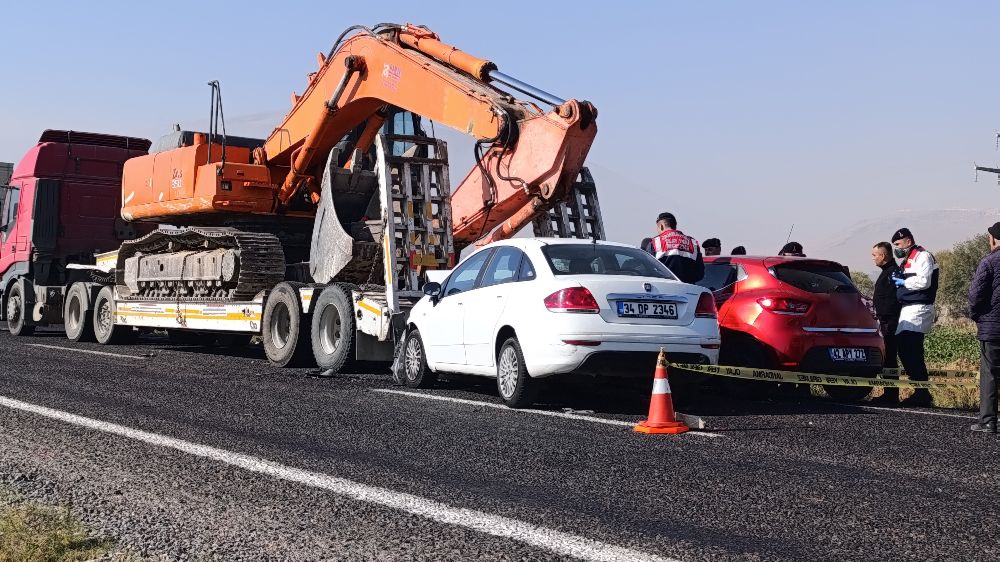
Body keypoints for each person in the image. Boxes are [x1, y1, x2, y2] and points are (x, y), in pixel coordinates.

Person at [890, 227, 939, 407]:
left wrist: (904, 282)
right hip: (908, 309)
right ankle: (919, 390)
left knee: (912, 349)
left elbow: (924, 282)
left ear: (908, 241)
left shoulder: (923, 256)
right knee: (904, 349)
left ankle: (922, 392)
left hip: (919, 308)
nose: (897, 248)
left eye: (898, 244)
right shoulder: (908, 259)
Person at [967, 222, 1000, 433]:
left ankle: (988, 420)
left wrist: (976, 315)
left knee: (990, 373)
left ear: (994, 239)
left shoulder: (989, 262)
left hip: (993, 326)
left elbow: (975, 295)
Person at [871, 241, 902, 403]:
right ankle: (889, 392)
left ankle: (891, 394)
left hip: (890, 323)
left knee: (890, 358)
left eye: (874, 255)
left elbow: (897, 297)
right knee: (888, 358)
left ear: (883, 256)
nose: (873, 258)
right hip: (886, 322)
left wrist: (885, 318)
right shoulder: (888, 272)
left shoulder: (894, 273)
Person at [647, 212, 704, 283]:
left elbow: (648, 270)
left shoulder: (655, 242)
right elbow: (700, 273)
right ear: (675, 226)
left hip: (664, 288)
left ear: (661, 226)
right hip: (689, 289)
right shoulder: (692, 242)